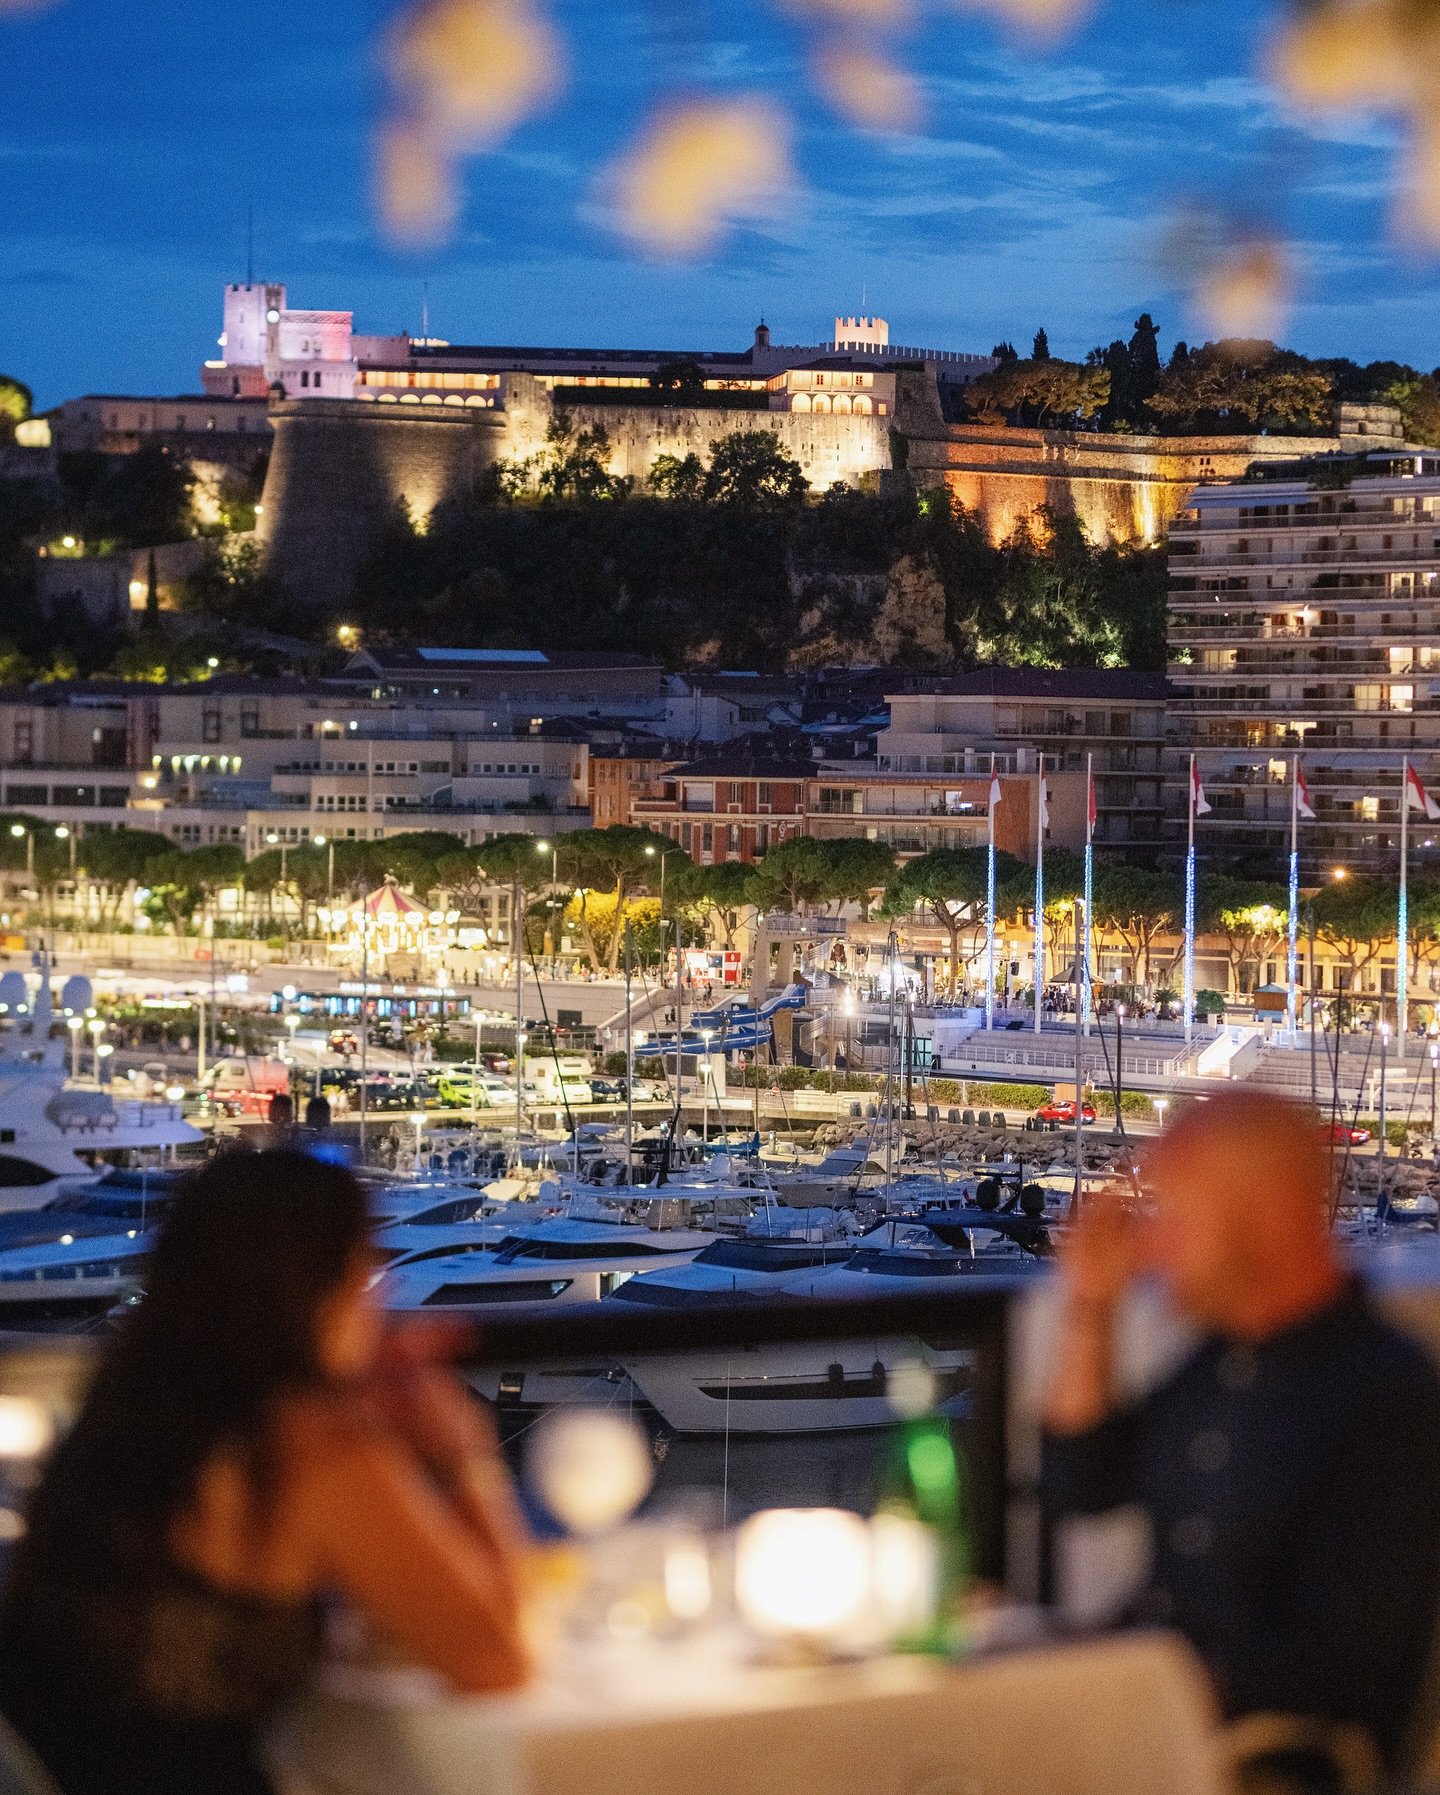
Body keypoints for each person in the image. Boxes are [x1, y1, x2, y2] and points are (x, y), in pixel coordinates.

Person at [0, 1151, 530, 1795]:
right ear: (319, 1282)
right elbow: (493, 1661)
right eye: (362, 1257)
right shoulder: (306, 1445)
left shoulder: (131, 1403)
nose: (379, 1282)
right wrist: (458, 1453)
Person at [1044, 1089, 1440, 1786]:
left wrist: (1101, 1688)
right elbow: (1085, 1480)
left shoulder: (1385, 1397)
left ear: (1270, 1216)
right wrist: (1091, 1304)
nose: (1154, 1241)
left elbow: (1334, 1669)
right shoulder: (1220, 1359)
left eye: (1175, 1212)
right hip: (1155, 1718)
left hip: (1264, 1762)